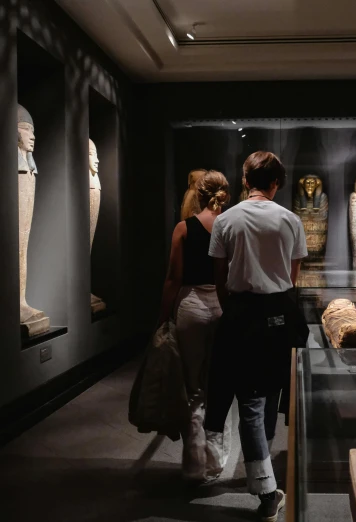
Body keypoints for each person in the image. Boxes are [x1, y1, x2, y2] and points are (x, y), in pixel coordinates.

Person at [205, 151, 309, 522]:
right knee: (264, 396)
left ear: (246, 180)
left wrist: (233, 310)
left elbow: (219, 278)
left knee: (253, 398)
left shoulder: (226, 220)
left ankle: (263, 478)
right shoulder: (290, 219)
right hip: (279, 311)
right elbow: (293, 276)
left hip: (242, 312)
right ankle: (265, 487)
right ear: (276, 182)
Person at [156, 170, 231, 483]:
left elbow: (173, 278)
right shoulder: (229, 226)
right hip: (222, 305)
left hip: (190, 305)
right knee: (220, 386)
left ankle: (193, 461)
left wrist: (163, 317)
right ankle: (215, 462)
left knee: (194, 387)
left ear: (197, 195)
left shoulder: (183, 228)